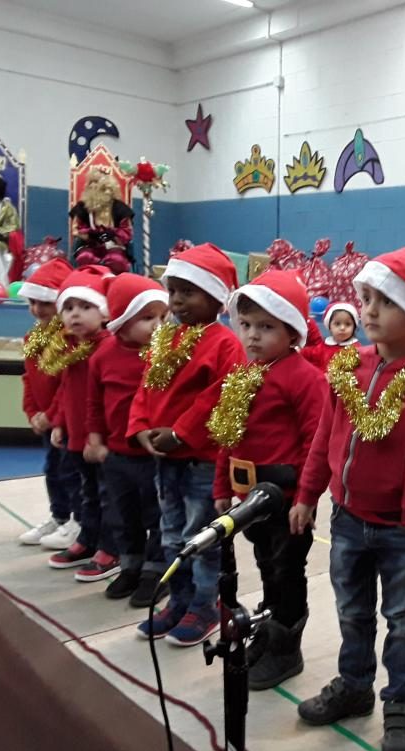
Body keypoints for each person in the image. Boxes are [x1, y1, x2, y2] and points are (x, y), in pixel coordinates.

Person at [289, 244, 405, 751]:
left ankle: (400, 703)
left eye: (388, 302)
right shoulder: (347, 367)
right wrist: (307, 494)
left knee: (402, 620)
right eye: (368, 299)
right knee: (353, 612)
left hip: (400, 530)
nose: (371, 311)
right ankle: (355, 685)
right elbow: (324, 436)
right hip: (346, 519)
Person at [210, 269, 327, 690]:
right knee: (266, 567)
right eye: (246, 325)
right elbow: (227, 434)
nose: (252, 335)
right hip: (251, 501)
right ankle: (270, 626)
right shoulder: (245, 374)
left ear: (292, 331)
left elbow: (316, 443)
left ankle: (286, 647)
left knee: (286, 572)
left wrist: (306, 498)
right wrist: (222, 488)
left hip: (287, 502)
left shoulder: (305, 378)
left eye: (266, 327)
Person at [129, 243, 245, 647]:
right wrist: (140, 428)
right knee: (171, 535)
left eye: (188, 292)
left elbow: (219, 395)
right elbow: (146, 389)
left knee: (201, 537)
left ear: (215, 297)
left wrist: (180, 432)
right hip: (167, 460)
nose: (177, 300)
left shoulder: (225, 343)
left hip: (200, 461)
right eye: (173, 291)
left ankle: (205, 605)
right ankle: (179, 601)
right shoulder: (165, 338)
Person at [84, 273, 170, 607]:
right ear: (122, 319)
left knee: (157, 515)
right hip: (116, 456)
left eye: (162, 317)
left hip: (152, 455)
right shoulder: (103, 356)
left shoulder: (164, 354)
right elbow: (94, 402)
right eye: (147, 318)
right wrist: (95, 439)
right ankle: (131, 564)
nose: (158, 326)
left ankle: (155, 571)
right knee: (123, 515)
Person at [45, 266, 122, 584]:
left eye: (85, 306)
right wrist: (59, 423)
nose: (75, 314)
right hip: (76, 437)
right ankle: (89, 538)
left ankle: (111, 548)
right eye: (69, 308)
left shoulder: (107, 348)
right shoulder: (72, 348)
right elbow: (66, 390)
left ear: (105, 312)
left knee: (107, 494)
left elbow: (107, 398)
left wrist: (98, 437)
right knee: (86, 492)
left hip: (100, 440)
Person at [16, 259, 83, 548]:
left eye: (44, 302)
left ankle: (79, 522)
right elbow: (29, 378)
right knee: (52, 470)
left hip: (67, 421)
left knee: (71, 471)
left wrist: (53, 416)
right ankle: (60, 516)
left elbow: (69, 385)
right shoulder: (33, 337)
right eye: (32, 302)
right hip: (47, 420)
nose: (37, 309)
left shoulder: (70, 339)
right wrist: (32, 412)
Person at [69, 168, 134, 274]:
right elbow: (77, 229)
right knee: (85, 257)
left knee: (116, 260)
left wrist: (113, 234)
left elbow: (127, 232)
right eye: (91, 182)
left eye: (96, 183)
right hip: (89, 245)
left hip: (114, 246)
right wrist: (90, 234)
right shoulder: (83, 207)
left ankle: (113, 282)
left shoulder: (120, 208)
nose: (92, 186)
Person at [302, 301, 360, 370]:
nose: (342, 328)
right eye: (337, 324)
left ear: (354, 327)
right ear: (329, 326)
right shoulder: (323, 346)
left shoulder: (356, 349)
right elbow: (310, 353)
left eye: (348, 324)